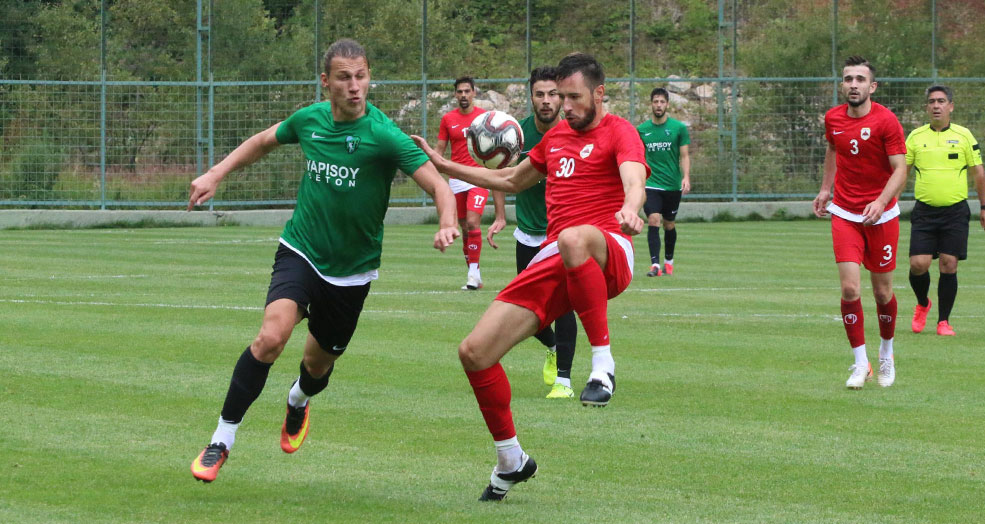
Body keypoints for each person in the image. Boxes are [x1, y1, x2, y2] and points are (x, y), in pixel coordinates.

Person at [185, 39, 459, 483]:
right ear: (326, 81)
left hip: (351, 273)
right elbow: (261, 141)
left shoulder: (384, 136)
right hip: (302, 250)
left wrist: (447, 221)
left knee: (316, 366)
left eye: (362, 76)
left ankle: (297, 400)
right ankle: (221, 440)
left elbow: (440, 187)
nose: (355, 87)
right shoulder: (309, 120)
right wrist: (216, 173)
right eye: (345, 77)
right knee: (270, 337)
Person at [412, 52, 648, 501]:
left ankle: (603, 366)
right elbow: (509, 180)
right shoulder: (556, 136)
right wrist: (444, 166)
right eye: (561, 97)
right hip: (554, 256)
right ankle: (510, 459)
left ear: (600, 93)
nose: (566, 107)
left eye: (574, 97)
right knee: (475, 352)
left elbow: (633, 179)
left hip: (607, 251)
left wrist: (631, 210)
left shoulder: (621, 132)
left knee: (575, 239)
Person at [812, 55, 907, 390]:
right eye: (848, 79)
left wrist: (881, 202)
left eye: (860, 79)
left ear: (872, 86)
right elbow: (834, 151)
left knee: (882, 292)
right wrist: (826, 189)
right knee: (851, 288)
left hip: (882, 216)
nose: (854, 84)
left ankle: (886, 353)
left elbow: (900, 169)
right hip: (846, 213)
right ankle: (859, 362)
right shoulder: (833, 118)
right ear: (842, 84)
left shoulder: (887, 122)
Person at [502, 65, 579, 399]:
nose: (547, 101)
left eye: (553, 95)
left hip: (562, 236)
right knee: (527, 309)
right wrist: (498, 216)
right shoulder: (516, 134)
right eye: (540, 94)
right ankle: (551, 346)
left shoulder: (574, 134)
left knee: (563, 305)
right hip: (527, 235)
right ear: (530, 95)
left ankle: (564, 379)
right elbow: (501, 171)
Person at [905, 85, 985, 336]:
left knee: (949, 264)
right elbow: (902, 173)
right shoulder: (915, 137)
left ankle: (943, 321)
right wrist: (886, 203)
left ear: (951, 106)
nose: (936, 106)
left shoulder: (964, 136)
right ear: (926, 107)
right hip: (924, 211)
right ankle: (923, 304)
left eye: (941, 101)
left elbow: (978, 173)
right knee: (918, 264)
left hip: (955, 212)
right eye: (931, 101)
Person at [436, 77, 507, 290]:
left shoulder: (484, 118)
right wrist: (432, 167)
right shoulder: (448, 119)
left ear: (474, 93)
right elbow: (439, 150)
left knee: (474, 222)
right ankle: (474, 274)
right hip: (457, 179)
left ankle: (472, 275)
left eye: (467, 91)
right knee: (465, 228)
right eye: (459, 92)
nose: (463, 95)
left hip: (478, 176)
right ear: (455, 95)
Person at [636, 87, 691, 277]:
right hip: (651, 184)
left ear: (667, 104)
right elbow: (637, 157)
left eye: (662, 102)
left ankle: (669, 261)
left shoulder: (678, 128)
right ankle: (655, 265)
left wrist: (686, 177)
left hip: (672, 185)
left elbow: (684, 156)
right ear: (651, 104)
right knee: (653, 219)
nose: (658, 105)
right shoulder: (642, 130)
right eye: (655, 101)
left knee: (669, 224)